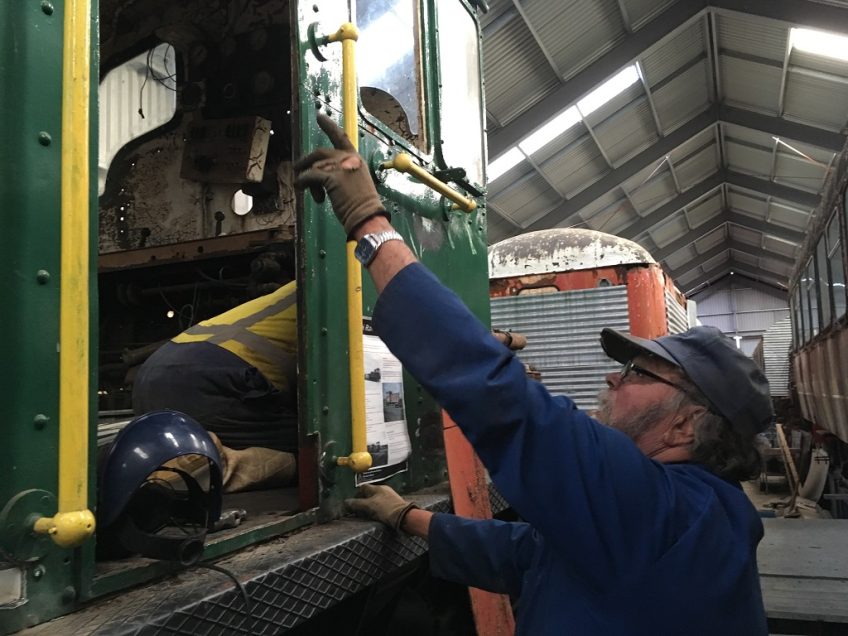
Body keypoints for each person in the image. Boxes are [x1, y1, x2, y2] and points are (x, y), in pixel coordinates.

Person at [295, 114, 774, 635]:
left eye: (638, 373)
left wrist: (369, 224)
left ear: (686, 425)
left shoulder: (658, 510)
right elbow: (528, 554)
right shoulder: (697, 512)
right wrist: (408, 517)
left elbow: (504, 400)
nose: (613, 380)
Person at [132, 277, 298, 492]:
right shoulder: (339, 288)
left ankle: (152, 459)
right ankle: (194, 467)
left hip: (153, 371)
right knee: (318, 448)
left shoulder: (308, 283)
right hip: (210, 380)